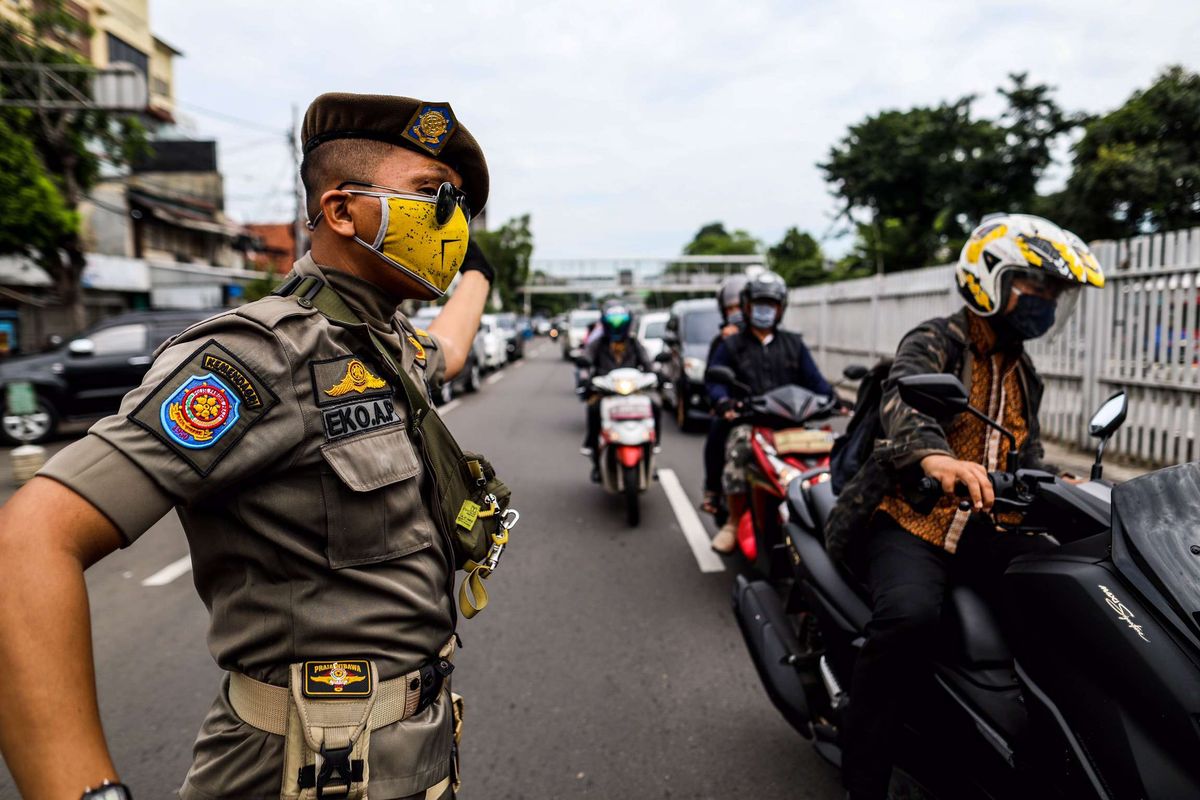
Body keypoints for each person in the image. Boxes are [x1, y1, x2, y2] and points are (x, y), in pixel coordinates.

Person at [0, 93, 506, 800]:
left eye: (459, 206)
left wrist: (477, 270)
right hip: (307, 770)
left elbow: (448, 349)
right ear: (341, 211)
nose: (449, 221)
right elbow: (30, 537)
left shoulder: (385, 344)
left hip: (414, 754)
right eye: (432, 196)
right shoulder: (261, 355)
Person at [836, 214, 1105, 800]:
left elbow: (1025, 451)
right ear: (991, 280)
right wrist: (936, 459)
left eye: (1054, 293)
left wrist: (1063, 485)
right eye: (1037, 287)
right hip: (913, 518)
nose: (1047, 303)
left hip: (989, 526)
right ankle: (863, 778)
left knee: (1068, 598)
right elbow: (904, 400)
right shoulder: (937, 340)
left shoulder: (1023, 371)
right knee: (906, 621)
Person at [706, 271, 833, 553]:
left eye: (771, 304)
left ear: (780, 308)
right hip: (751, 423)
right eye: (759, 303)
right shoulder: (731, 344)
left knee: (833, 453)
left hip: (794, 425)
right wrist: (724, 402)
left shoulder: (794, 344)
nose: (765, 310)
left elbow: (817, 383)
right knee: (737, 446)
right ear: (747, 306)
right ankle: (733, 521)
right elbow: (714, 382)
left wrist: (832, 399)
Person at [579, 303, 657, 482]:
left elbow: (647, 364)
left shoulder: (634, 343)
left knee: (655, 406)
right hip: (605, 392)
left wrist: (655, 374)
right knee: (593, 409)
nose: (616, 327)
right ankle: (593, 450)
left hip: (634, 392)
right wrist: (586, 379)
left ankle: (653, 445)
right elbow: (586, 360)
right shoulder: (598, 344)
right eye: (612, 323)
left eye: (619, 323)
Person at [700, 274, 748, 517]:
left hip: (774, 410)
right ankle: (713, 490)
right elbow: (712, 378)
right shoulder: (723, 342)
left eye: (740, 306)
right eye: (731, 308)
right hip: (735, 409)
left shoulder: (781, 340)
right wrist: (721, 402)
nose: (736, 312)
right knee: (717, 430)